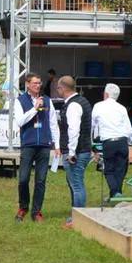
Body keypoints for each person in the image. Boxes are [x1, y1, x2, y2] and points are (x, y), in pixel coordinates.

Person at [12, 72, 59, 223]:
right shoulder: (20, 101)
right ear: (27, 84)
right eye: (35, 83)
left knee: (41, 180)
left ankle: (36, 211)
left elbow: (53, 123)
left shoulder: (47, 100)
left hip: (44, 145)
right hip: (28, 145)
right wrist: (34, 108)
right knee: (23, 179)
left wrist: (56, 145)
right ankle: (23, 207)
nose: (38, 86)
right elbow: (20, 121)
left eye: (39, 83)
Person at [56, 76, 92, 228]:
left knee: (76, 185)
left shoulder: (73, 105)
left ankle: (78, 219)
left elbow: (74, 129)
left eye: (58, 88)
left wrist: (71, 152)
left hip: (77, 151)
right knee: (75, 184)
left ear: (62, 88)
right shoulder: (83, 101)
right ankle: (76, 215)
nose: (57, 90)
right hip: (84, 148)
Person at [91, 82, 132, 199]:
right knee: (120, 170)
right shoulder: (122, 108)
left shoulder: (98, 106)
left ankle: (115, 193)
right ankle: (116, 194)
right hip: (122, 141)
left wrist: (91, 142)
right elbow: (128, 128)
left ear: (106, 94)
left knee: (109, 170)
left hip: (108, 142)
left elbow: (92, 125)